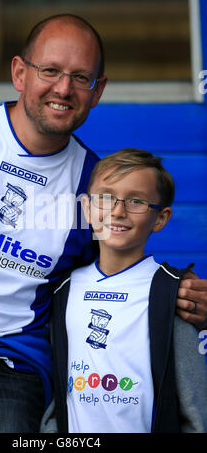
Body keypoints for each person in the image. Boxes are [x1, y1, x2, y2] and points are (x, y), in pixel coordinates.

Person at [0, 14, 206, 433]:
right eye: (50, 71)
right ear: (19, 73)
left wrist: (176, 293)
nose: (63, 89)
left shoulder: (94, 182)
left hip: (9, 367)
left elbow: (114, 270)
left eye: (80, 77)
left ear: (97, 91)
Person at [50, 148, 207, 433]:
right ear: (86, 208)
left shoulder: (174, 293)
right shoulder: (62, 290)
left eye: (136, 201)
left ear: (160, 218)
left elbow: (194, 403)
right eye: (106, 197)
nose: (118, 211)